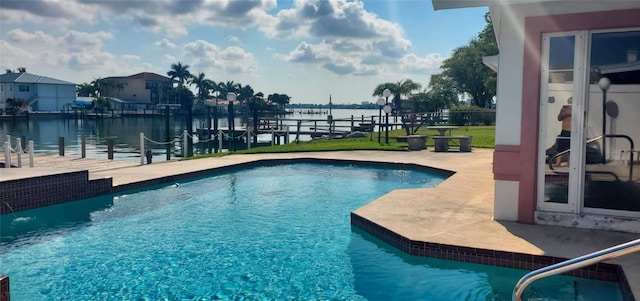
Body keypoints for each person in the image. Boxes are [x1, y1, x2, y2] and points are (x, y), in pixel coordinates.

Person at [554, 97, 572, 166]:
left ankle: (570, 163)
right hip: (564, 131)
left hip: (572, 131)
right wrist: (561, 111)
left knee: (570, 149)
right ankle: (558, 163)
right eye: (568, 102)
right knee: (560, 148)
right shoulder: (564, 109)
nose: (569, 104)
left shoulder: (576, 109)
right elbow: (559, 119)